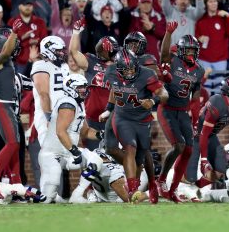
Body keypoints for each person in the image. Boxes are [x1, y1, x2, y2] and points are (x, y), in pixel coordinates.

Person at [107, 48, 168, 204]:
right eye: (125, 69)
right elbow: (114, 89)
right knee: (130, 147)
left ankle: (147, 184)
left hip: (142, 119)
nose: (129, 72)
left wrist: (153, 101)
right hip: (122, 117)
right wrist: (108, 109)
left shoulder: (146, 74)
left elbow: (164, 93)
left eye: (132, 68)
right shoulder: (111, 72)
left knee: (141, 155)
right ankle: (132, 188)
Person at [156, 21, 205, 203]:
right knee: (179, 146)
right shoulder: (174, 60)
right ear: (183, 51)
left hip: (183, 111)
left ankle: (174, 189)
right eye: (189, 50)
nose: (192, 53)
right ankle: (161, 181)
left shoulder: (199, 70)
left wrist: (194, 121)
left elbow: (195, 97)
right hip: (167, 109)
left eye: (194, 50)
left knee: (189, 149)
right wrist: (168, 33)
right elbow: (163, 54)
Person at [39, 74, 102, 203]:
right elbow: (61, 132)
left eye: (84, 88)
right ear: (70, 87)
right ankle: (42, 195)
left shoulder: (78, 104)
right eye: (80, 88)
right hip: (53, 154)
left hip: (68, 154)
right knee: (48, 197)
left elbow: (85, 131)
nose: (84, 90)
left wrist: (101, 134)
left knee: (96, 160)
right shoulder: (67, 103)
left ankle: (77, 195)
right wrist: (75, 151)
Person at [186, 76, 229, 185]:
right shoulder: (217, 102)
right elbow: (203, 134)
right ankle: (171, 182)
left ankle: (196, 188)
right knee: (190, 177)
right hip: (195, 136)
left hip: (210, 136)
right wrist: (204, 160)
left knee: (219, 171)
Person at [70, 18, 119, 150]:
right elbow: (74, 52)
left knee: (113, 158)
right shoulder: (91, 61)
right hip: (92, 119)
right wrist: (75, 32)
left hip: (113, 118)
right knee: (94, 158)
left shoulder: (120, 67)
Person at [30, 35, 69, 147]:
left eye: (62, 50)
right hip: (47, 115)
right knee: (51, 154)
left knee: (67, 156)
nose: (62, 53)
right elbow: (44, 94)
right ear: (48, 51)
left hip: (64, 114)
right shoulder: (40, 65)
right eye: (58, 51)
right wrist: (49, 117)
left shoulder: (64, 67)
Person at [0, 26, 22, 185]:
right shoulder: (0, 56)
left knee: (14, 144)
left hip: (5, 104)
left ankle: (16, 183)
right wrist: (15, 33)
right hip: (0, 104)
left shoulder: (7, 60)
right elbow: (4, 53)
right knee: (12, 143)